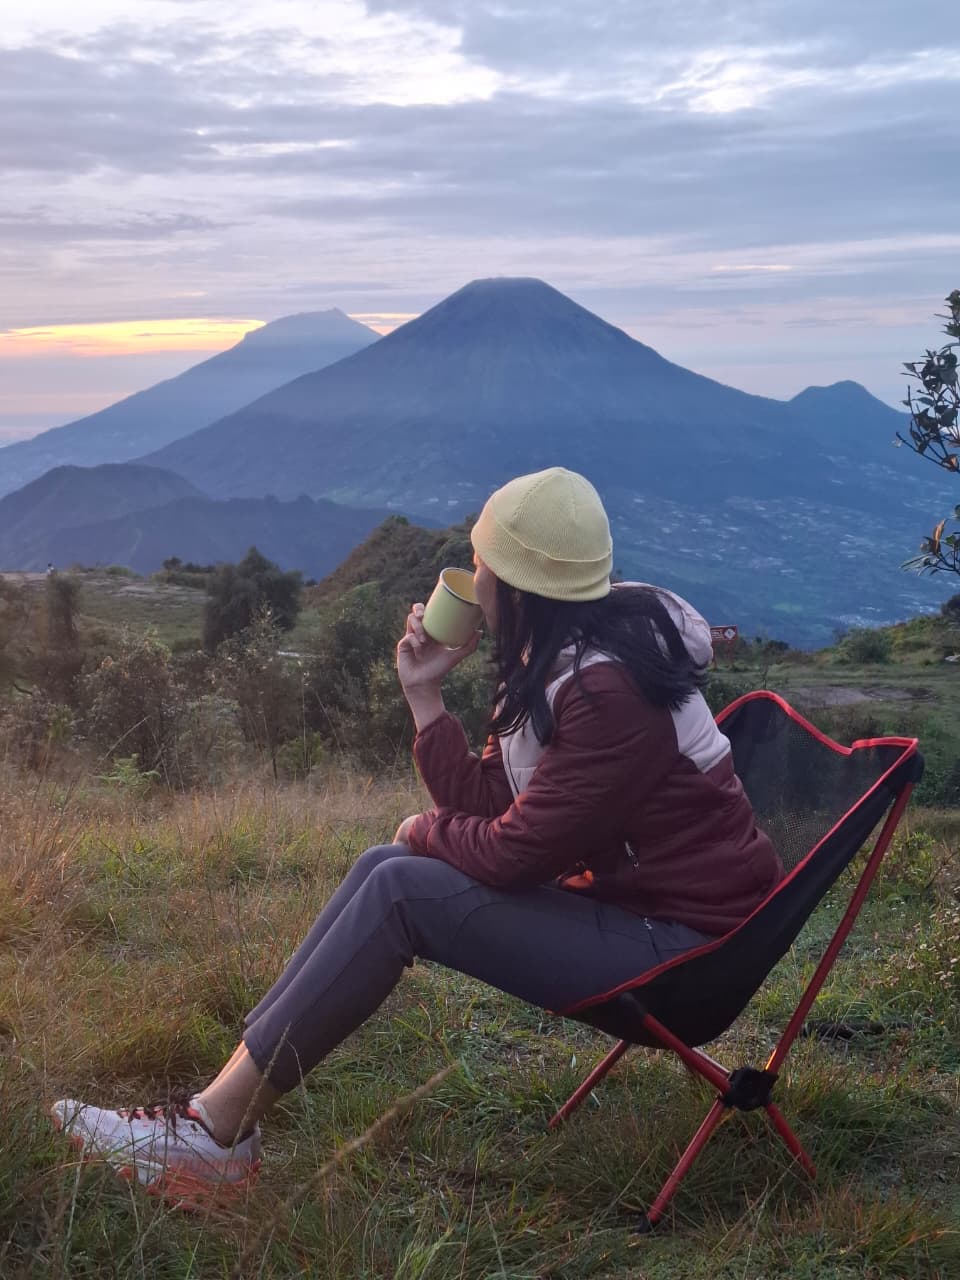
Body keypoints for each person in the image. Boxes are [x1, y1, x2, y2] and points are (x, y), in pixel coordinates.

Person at [51, 467, 782, 1204]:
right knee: (386, 863)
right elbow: (499, 800)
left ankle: (210, 1138)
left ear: (515, 585)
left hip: (688, 958)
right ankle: (221, 1108)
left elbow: (512, 852)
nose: (472, 577)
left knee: (401, 884)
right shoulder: (556, 655)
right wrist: (425, 699)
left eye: (480, 563)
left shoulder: (603, 690)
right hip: (643, 913)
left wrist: (428, 827)